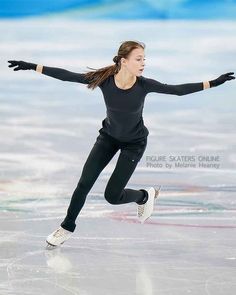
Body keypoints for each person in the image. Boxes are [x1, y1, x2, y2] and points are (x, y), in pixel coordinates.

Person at [8, 40, 235, 247]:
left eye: (144, 59)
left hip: (134, 144)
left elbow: (176, 91)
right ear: (124, 61)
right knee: (84, 183)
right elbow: (68, 75)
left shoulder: (144, 85)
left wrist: (214, 83)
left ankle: (144, 196)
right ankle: (67, 226)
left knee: (112, 197)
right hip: (108, 138)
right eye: (139, 59)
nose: (143, 63)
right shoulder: (104, 80)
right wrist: (32, 66)